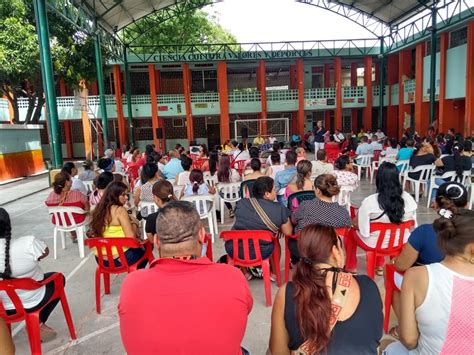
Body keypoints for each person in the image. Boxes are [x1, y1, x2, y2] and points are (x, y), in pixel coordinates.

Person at [119, 201, 253, 354]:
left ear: (156, 241)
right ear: (202, 235)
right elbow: (244, 310)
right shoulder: (232, 276)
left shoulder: (132, 284)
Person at [269, 224, 383, 354]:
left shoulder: (287, 293)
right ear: (335, 251)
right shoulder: (368, 285)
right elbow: (375, 337)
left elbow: (278, 352)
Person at [386, 182, 474, 338]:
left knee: (392, 275)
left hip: (428, 287)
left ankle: (405, 327)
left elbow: (402, 265)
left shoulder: (424, 232)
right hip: (463, 299)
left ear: (436, 204)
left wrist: (394, 262)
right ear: (467, 204)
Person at [0, 208, 66, 342]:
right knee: (59, 278)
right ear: (9, 225)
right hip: (33, 299)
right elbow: (45, 252)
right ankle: (38, 321)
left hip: (3, 306)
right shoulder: (27, 243)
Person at [347, 162, 417, 274]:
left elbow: (359, 227)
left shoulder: (370, 201)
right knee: (388, 232)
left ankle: (351, 267)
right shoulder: (409, 199)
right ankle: (379, 266)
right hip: (399, 242)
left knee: (350, 233)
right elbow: (413, 224)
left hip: (373, 244)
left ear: (378, 179)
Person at [228, 177, 293, 279]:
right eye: (274, 189)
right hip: (261, 251)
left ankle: (245, 273)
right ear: (267, 194)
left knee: (238, 235)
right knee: (274, 240)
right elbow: (288, 232)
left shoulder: (241, 203)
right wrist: (278, 227)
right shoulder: (279, 209)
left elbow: (243, 220)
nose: (276, 192)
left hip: (234, 250)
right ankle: (274, 273)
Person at [88, 182, 147, 268]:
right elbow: (131, 238)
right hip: (120, 259)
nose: (126, 197)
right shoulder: (119, 210)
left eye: (127, 195)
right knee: (147, 245)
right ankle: (137, 274)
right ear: (114, 195)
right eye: (123, 195)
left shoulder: (98, 209)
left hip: (100, 260)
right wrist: (135, 223)